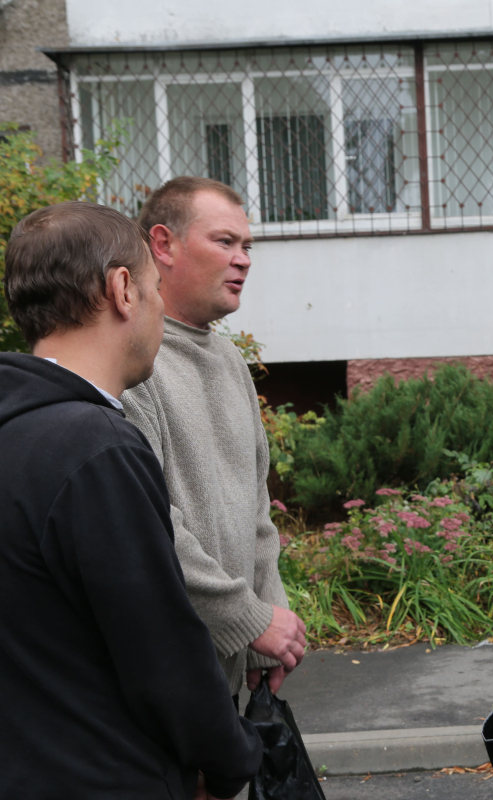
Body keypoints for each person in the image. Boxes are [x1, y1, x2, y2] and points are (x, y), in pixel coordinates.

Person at [0, 201, 262, 799]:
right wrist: (229, 762)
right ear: (122, 290)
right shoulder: (94, 449)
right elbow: (164, 654)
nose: (163, 308)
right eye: (153, 288)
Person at [122, 177, 304, 697]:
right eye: (225, 242)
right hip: (160, 680)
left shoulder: (228, 361)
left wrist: (264, 622)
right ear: (163, 245)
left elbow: (256, 514)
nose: (243, 259)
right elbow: (148, 522)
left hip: (221, 675)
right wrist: (247, 618)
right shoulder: (133, 363)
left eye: (247, 246)